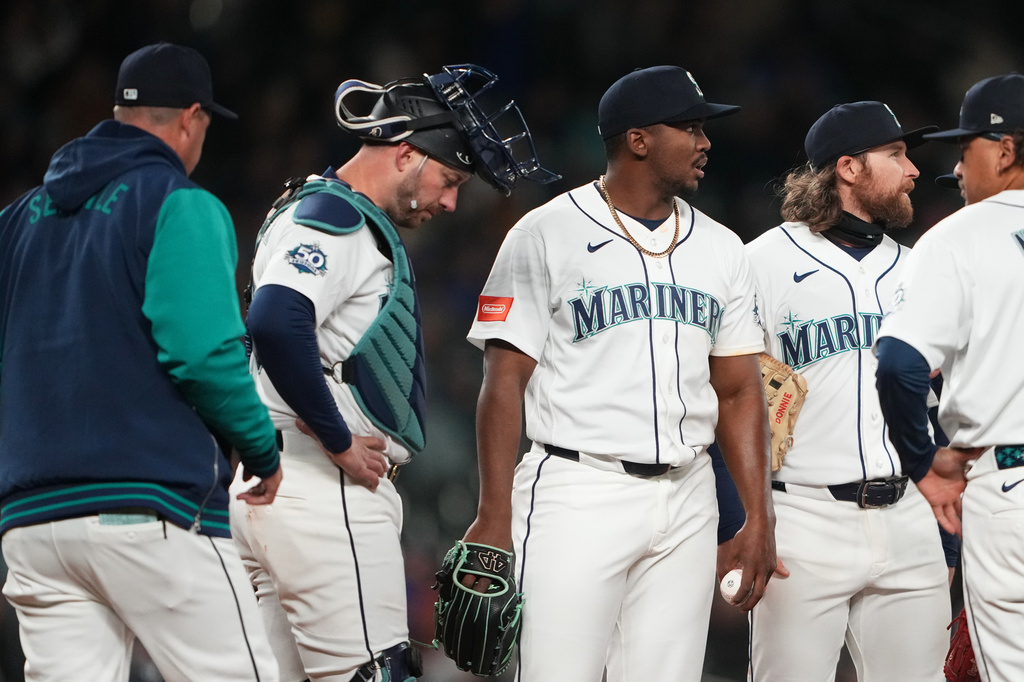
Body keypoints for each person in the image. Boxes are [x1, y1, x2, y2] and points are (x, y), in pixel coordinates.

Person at [229, 64, 557, 682]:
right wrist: (338, 438)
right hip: (321, 487)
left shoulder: (305, 206)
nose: (452, 200)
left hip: (270, 479)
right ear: (406, 153)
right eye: (450, 179)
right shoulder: (338, 217)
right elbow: (275, 320)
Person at [461, 65, 777, 682]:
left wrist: (757, 516)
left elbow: (740, 391)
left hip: (688, 495)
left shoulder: (722, 248)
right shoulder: (546, 232)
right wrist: (493, 513)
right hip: (578, 487)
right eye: (689, 127)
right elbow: (503, 383)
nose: (705, 141)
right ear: (638, 140)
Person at [0, 42, 281, 682]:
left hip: (32, 524)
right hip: (147, 509)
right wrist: (260, 449)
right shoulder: (177, 202)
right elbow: (203, 354)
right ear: (190, 117)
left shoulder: (15, 222)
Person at [741, 101, 951, 681]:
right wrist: (741, 519)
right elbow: (727, 401)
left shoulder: (920, 267)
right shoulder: (759, 263)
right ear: (849, 168)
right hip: (802, 516)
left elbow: (941, 407)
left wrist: (948, 538)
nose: (913, 171)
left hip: (910, 514)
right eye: (897, 154)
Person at [876, 72, 1024, 682]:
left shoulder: (959, 236)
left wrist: (925, 461)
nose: (957, 171)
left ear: (1006, 151)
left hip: (1009, 488)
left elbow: (900, 365)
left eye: (966, 151)